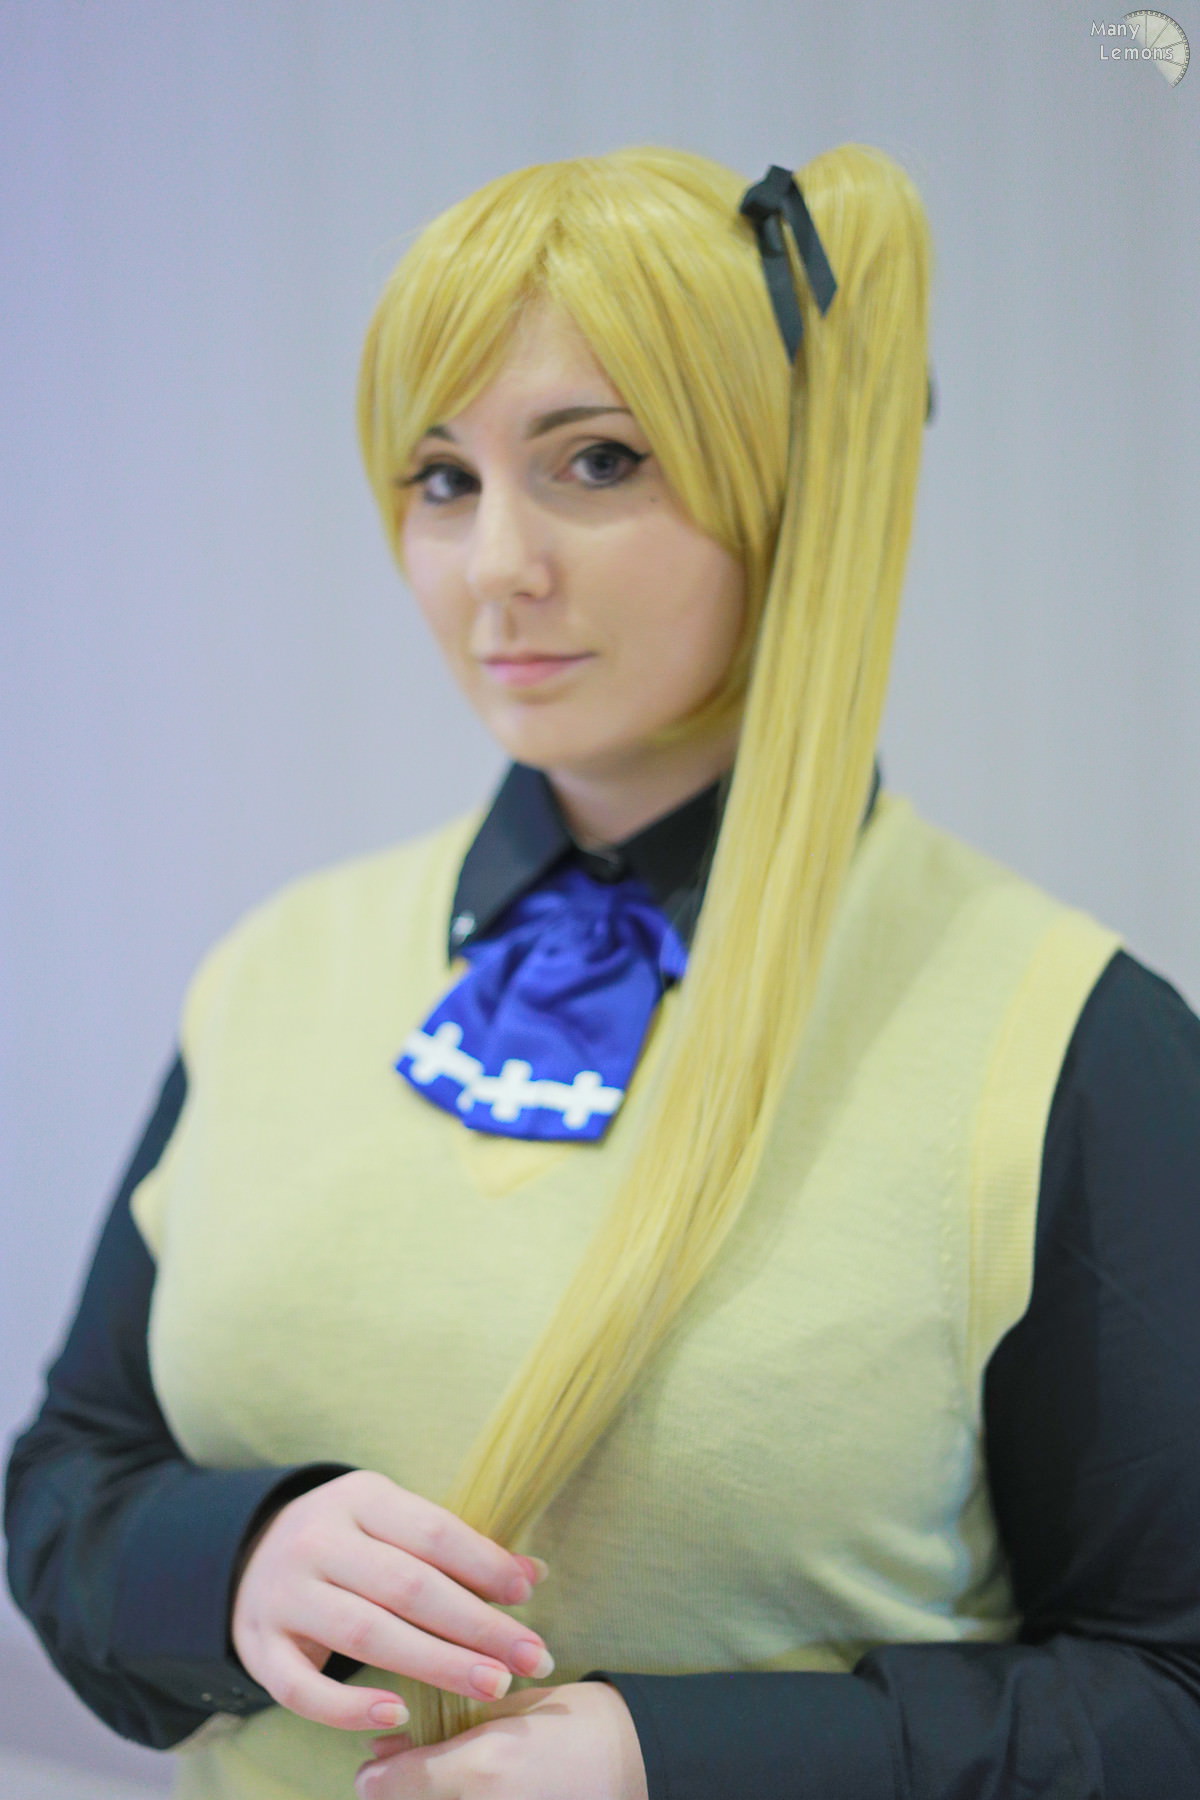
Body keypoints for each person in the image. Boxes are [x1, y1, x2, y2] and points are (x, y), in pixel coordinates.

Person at [6, 143, 1200, 1800]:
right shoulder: (277, 973)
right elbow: (69, 1477)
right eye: (443, 478)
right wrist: (233, 1561)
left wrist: (686, 1759)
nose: (497, 563)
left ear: (782, 483)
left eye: (599, 460)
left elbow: (1170, 1690)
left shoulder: (1070, 1038)